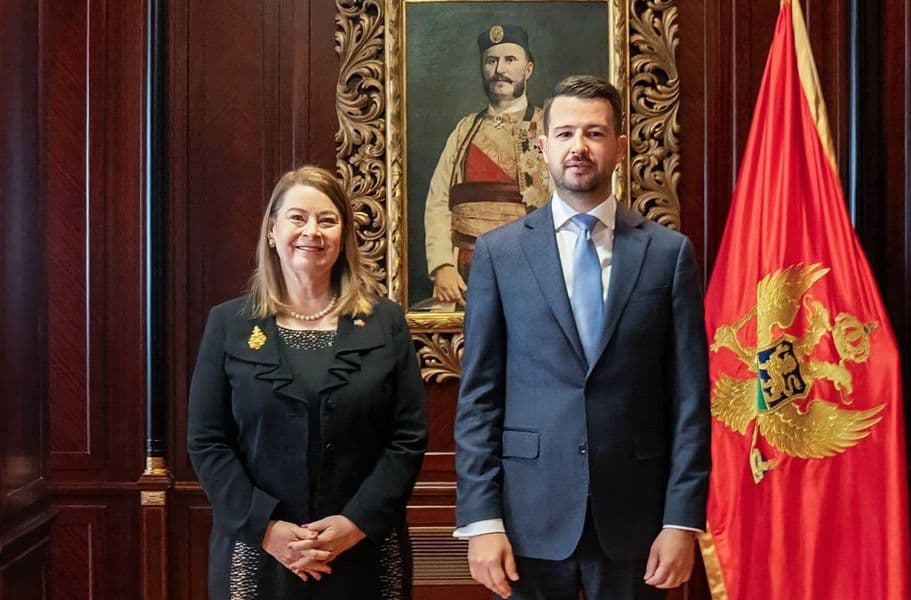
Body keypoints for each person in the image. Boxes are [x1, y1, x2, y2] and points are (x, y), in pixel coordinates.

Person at [454, 75, 711, 599]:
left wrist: (681, 520)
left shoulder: (668, 254)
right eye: (565, 133)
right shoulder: (500, 254)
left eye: (594, 133)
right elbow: (479, 396)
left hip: (637, 523)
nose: (579, 147)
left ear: (619, 146)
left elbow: (689, 398)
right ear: (543, 145)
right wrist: (481, 520)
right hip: (526, 521)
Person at [188, 166, 428, 600]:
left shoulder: (386, 323)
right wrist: (267, 528)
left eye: (327, 220)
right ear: (272, 230)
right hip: (256, 549)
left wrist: (354, 523)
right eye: (297, 217)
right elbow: (207, 441)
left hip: (363, 549)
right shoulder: (228, 324)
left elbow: (407, 438)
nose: (311, 231)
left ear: (344, 235)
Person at [423, 24, 551, 306]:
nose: (499, 69)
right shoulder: (465, 130)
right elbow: (439, 200)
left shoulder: (548, 128)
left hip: (531, 269)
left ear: (528, 69)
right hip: (465, 270)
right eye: (491, 61)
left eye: (510, 60)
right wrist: (442, 265)